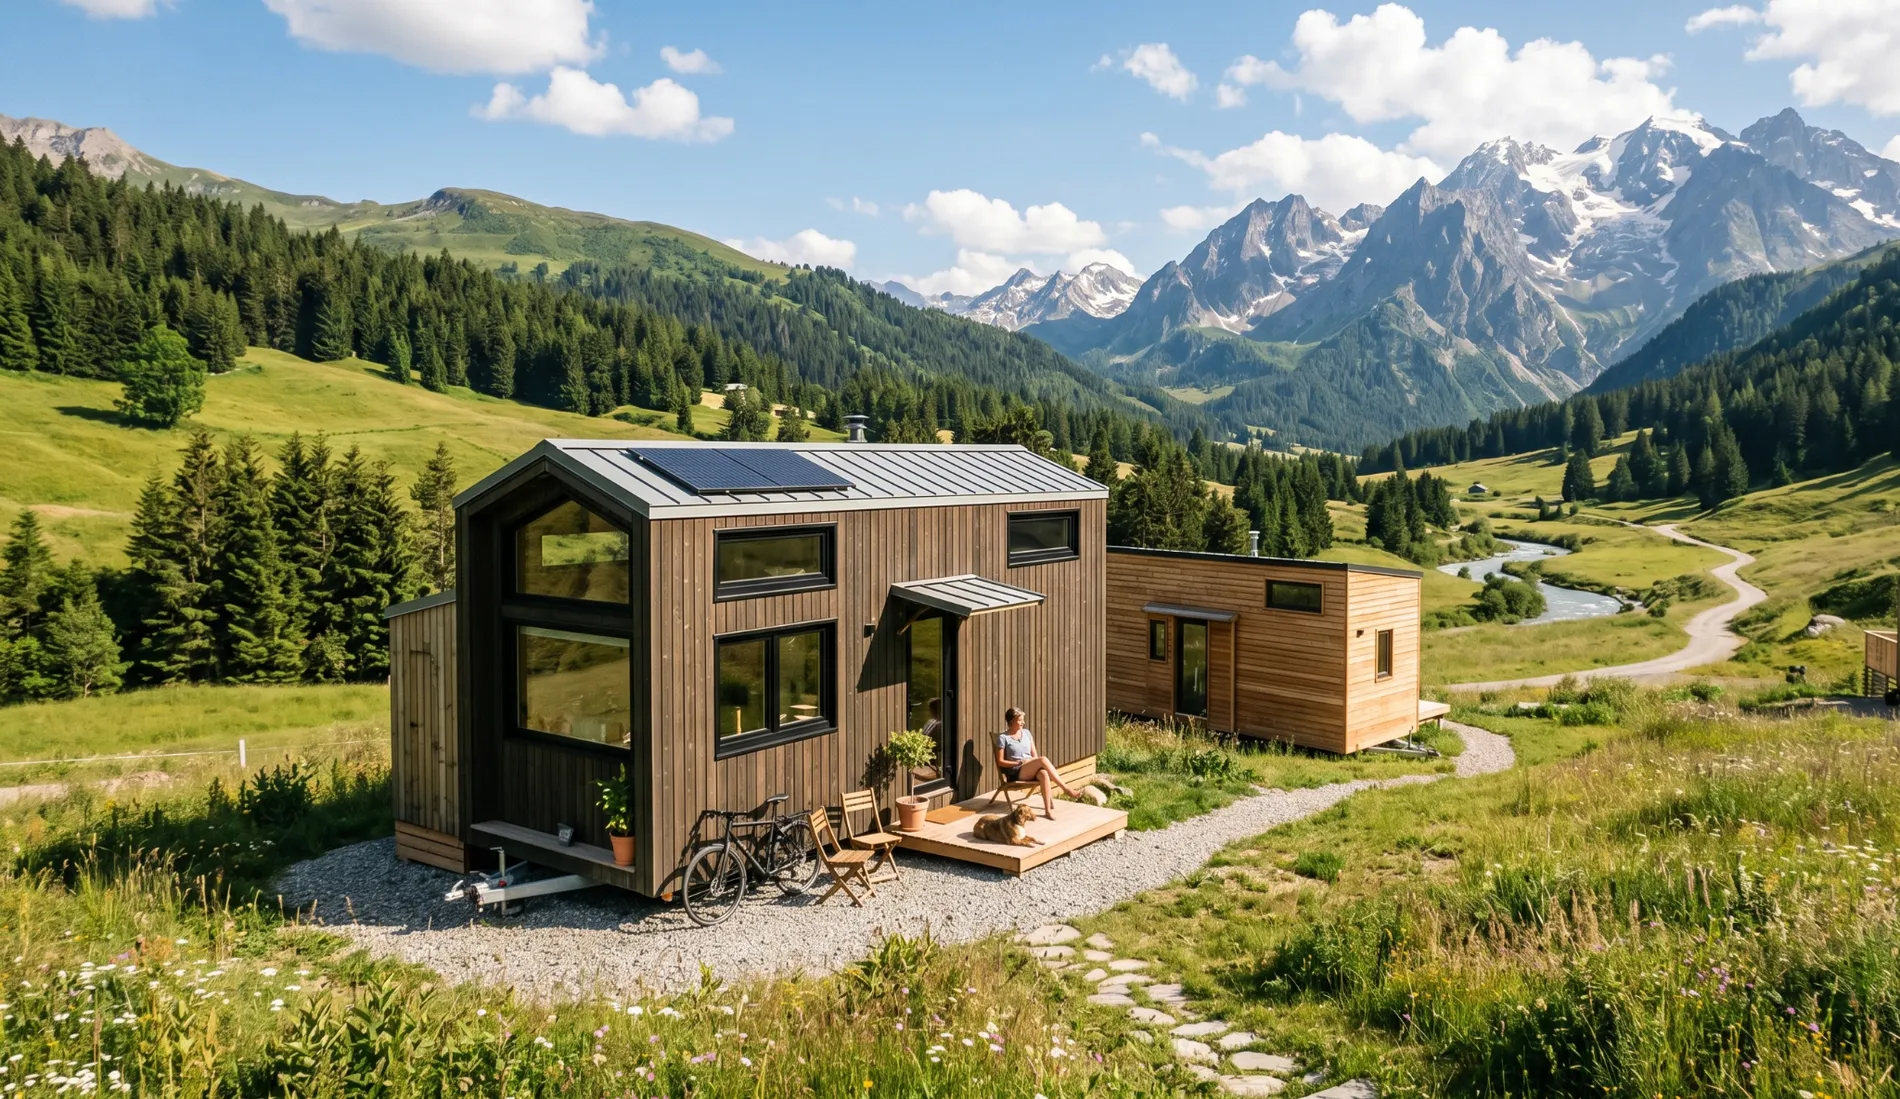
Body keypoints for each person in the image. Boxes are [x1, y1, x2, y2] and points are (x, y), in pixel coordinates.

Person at [995, 707, 1079, 818]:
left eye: (1023, 720)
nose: (1023, 722)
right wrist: (1018, 763)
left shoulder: (1027, 733)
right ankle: (1065, 789)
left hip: (1030, 766)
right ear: (1012, 721)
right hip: (1016, 771)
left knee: (1043, 773)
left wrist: (1030, 761)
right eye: (1020, 720)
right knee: (1043, 759)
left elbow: (1034, 756)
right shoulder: (1003, 738)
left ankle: (1047, 811)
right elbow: (1000, 762)